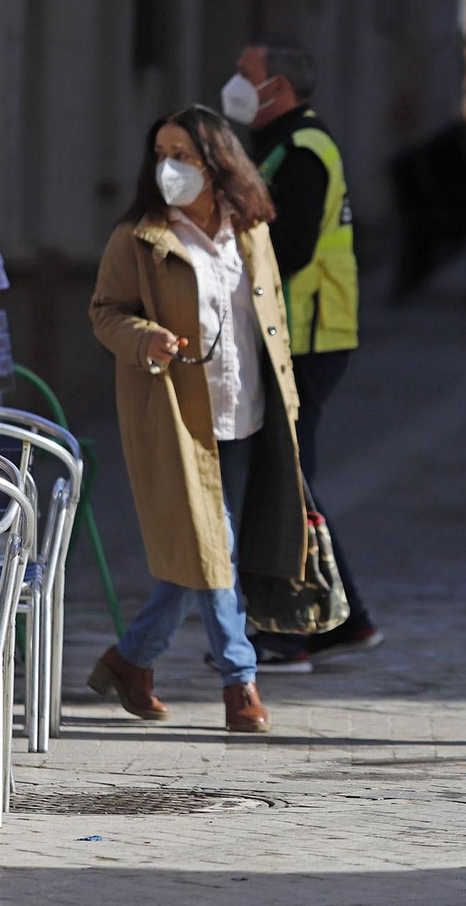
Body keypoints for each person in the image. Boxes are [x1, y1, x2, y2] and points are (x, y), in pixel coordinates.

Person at [87, 105, 308, 733]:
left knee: (202, 551)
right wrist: (145, 339)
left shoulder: (250, 230)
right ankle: (240, 682)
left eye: (181, 155)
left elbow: (270, 316)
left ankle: (130, 662)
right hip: (178, 416)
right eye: (160, 154)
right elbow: (105, 311)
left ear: (215, 163)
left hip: (249, 411)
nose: (168, 167)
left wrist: (292, 398)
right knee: (215, 549)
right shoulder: (140, 237)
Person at [219, 37, 381, 672]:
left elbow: (291, 247)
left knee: (287, 486)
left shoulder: (304, 149)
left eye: (245, 73)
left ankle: (295, 631)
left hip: (309, 335)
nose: (234, 83)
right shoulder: (281, 144)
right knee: (293, 480)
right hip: (300, 335)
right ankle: (347, 622)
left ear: (277, 87)